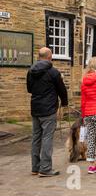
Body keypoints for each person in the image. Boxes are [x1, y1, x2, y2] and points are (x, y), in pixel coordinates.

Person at [27, 47, 68, 177]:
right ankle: (45, 168)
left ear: (39, 57)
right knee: (47, 138)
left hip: (35, 108)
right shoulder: (53, 72)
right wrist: (64, 103)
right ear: (50, 57)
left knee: (36, 138)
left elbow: (29, 89)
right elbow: (62, 90)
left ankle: (35, 167)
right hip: (49, 109)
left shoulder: (30, 71)